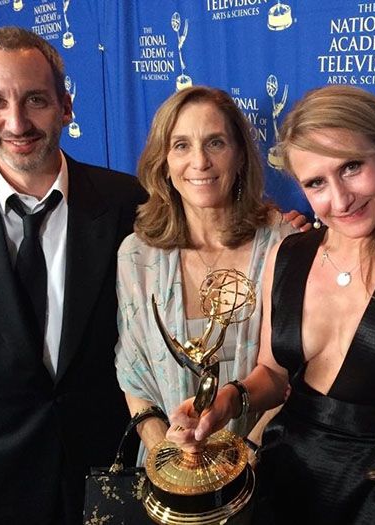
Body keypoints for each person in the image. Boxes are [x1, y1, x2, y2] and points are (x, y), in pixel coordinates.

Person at [168, 85, 375, 524]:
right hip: (286, 477)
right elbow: (274, 374)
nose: (340, 199)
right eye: (316, 183)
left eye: (351, 167)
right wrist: (225, 402)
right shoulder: (290, 254)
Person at [0, 26, 147, 524]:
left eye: (35, 99)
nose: (16, 121)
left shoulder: (128, 202)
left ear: (65, 105)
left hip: (108, 455)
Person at [114, 86, 303, 460]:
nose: (199, 161)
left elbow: (300, 373)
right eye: (181, 145)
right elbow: (134, 374)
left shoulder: (285, 244)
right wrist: (168, 457)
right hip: (170, 467)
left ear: (240, 156)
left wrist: (246, 456)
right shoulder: (136, 255)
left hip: (266, 464)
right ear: (163, 161)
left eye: (215, 143)